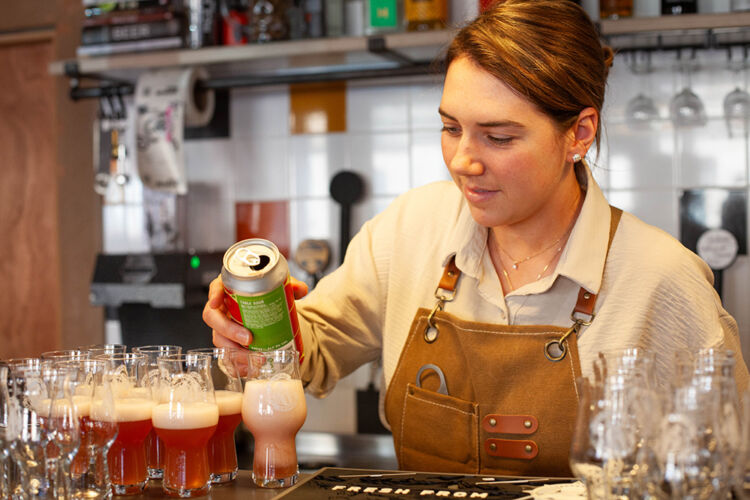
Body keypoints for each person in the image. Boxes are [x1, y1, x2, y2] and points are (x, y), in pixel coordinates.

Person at [204, 0, 749, 477]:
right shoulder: (411, 228)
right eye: (450, 127)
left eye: (499, 136)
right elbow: (309, 355)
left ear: (579, 133)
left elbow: (730, 466)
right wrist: (253, 322)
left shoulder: (661, 278)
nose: (463, 160)